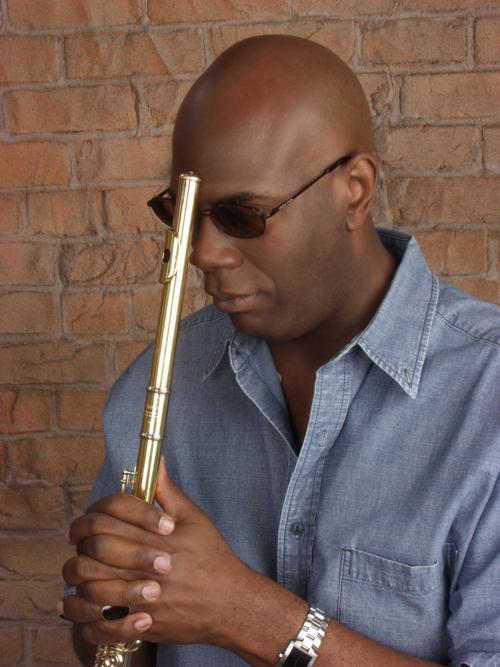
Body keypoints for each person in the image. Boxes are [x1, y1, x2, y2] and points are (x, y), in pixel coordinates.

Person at [61, 35, 500, 666]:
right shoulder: (159, 382)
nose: (205, 253)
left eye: (244, 215)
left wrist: (243, 614)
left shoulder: (485, 398)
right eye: (183, 214)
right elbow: (112, 644)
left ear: (354, 188)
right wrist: (110, 616)